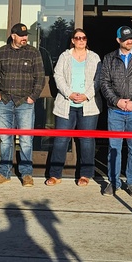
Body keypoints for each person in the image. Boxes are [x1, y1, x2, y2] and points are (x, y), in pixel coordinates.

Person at [0, 22, 46, 187]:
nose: (24, 38)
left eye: (26, 35)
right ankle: (4, 172)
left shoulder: (33, 53)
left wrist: (32, 97)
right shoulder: (1, 52)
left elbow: (39, 77)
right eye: (21, 36)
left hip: (25, 103)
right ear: (13, 36)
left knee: (26, 139)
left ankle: (26, 174)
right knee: (5, 139)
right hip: (5, 101)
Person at [99, 25, 132, 196]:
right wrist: (117, 101)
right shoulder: (109, 59)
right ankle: (113, 182)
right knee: (114, 147)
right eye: (126, 38)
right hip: (115, 110)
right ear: (118, 40)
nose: (130, 41)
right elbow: (104, 83)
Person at [46, 28, 101, 187]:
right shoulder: (65, 56)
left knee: (87, 141)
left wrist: (86, 95)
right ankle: (55, 174)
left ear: (86, 40)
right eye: (77, 38)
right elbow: (58, 76)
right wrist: (69, 93)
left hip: (88, 105)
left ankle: (85, 174)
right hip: (66, 104)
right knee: (61, 140)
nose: (81, 40)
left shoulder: (94, 57)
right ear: (72, 40)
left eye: (83, 37)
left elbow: (98, 80)